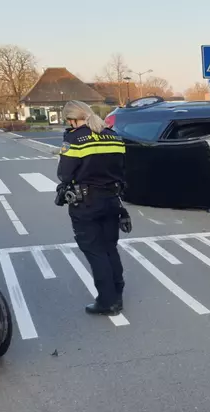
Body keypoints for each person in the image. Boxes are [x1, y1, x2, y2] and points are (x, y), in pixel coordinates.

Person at [55, 100, 131, 316]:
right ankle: (118, 294)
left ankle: (107, 302)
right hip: (112, 201)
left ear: (71, 119)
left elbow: (65, 175)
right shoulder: (114, 136)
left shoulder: (74, 139)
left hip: (86, 203)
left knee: (95, 251)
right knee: (109, 247)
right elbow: (122, 168)